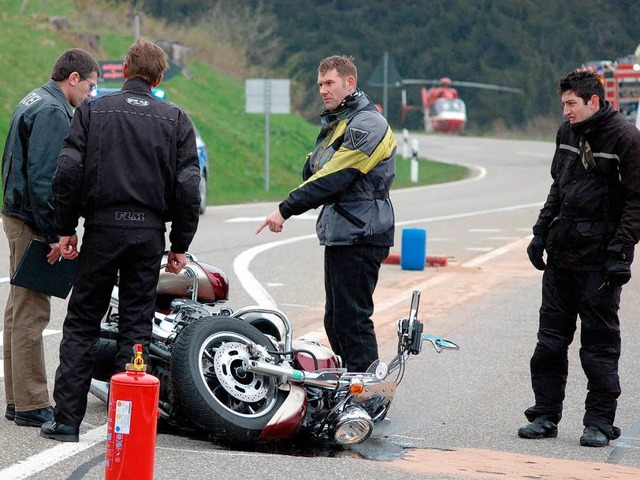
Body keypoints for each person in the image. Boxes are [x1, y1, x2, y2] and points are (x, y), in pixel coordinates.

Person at [40, 37, 201, 442]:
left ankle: (65, 422)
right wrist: (179, 245)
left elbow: (67, 172)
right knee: (136, 329)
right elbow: (187, 187)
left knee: (81, 324)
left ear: (124, 70)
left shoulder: (93, 110)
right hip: (147, 235)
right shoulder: (176, 118)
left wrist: (65, 229)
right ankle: (126, 427)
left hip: (101, 230)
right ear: (159, 77)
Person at [519, 68, 640, 447]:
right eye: (563, 104)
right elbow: (559, 186)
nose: (566, 111)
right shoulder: (566, 132)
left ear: (593, 101)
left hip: (600, 261)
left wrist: (622, 250)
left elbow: (637, 201)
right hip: (562, 253)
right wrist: (540, 233)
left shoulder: (626, 139)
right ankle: (544, 415)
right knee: (550, 343)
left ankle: (600, 423)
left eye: (571, 104)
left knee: (599, 347)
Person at [256, 55, 396, 372]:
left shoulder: (368, 123)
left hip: (364, 231)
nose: (323, 90)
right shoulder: (339, 122)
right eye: (320, 84)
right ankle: (350, 381)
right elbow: (313, 168)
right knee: (335, 318)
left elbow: (334, 176)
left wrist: (285, 209)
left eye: (329, 83)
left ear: (350, 83)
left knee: (353, 317)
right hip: (342, 230)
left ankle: (369, 391)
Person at [1, 48, 100, 428]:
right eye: (90, 86)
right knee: (31, 313)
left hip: (15, 213)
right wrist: (57, 231)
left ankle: (16, 399)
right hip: (32, 221)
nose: (90, 94)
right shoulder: (54, 111)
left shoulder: (33, 98)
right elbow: (46, 179)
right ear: (73, 78)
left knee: (16, 310)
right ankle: (30, 404)